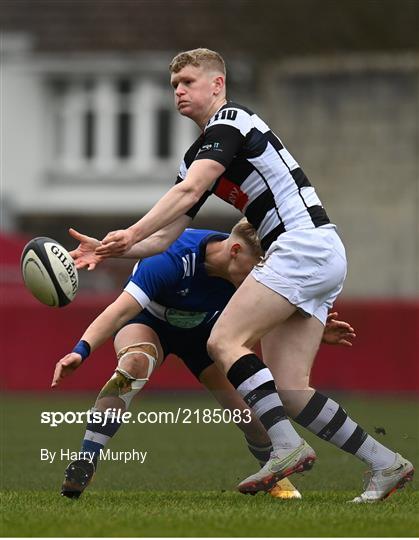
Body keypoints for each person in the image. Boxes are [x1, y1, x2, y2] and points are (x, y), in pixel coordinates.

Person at [76, 48, 413, 502]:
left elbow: (190, 190)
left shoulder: (231, 121)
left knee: (222, 342)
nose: (178, 90)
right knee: (291, 390)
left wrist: (131, 228)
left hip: (301, 244)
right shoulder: (198, 154)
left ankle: (286, 447)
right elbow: (164, 239)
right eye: (174, 84)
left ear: (217, 85)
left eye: (189, 82)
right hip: (313, 253)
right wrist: (109, 247)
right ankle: (386, 464)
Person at [54, 220, 355, 499]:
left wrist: (313, 328)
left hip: (206, 334)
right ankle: (86, 459)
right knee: (134, 364)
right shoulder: (172, 259)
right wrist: (80, 350)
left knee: (252, 419)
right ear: (235, 251)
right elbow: (118, 311)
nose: (261, 277)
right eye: (256, 268)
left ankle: (274, 477)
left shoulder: (244, 271)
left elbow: (280, 307)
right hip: (149, 321)